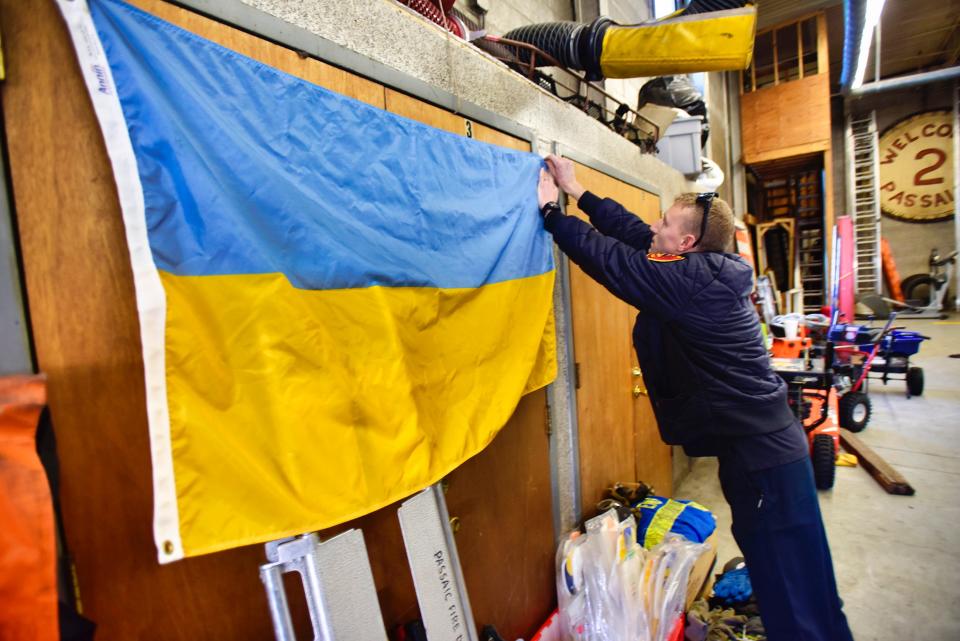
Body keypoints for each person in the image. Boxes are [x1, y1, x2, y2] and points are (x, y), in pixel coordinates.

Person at [537, 155, 854, 641]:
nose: (653, 227)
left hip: (764, 457)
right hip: (758, 449)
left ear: (685, 243)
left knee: (793, 587)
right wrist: (577, 190)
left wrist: (551, 216)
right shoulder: (696, 264)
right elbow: (634, 235)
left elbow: (614, 262)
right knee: (787, 576)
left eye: (664, 223)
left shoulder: (687, 281)